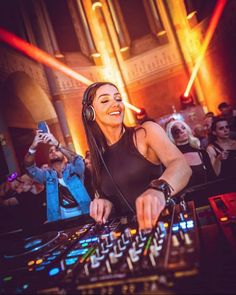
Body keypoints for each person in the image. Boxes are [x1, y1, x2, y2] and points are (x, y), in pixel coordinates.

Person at [81, 82, 191, 230]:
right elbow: (117, 198)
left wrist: (159, 189)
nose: (116, 104)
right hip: (131, 237)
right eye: (105, 100)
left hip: (166, 227)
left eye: (118, 99)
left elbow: (181, 165)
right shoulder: (98, 158)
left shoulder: (146, 132)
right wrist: (105, 203)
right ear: (90, 113)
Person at [24, 130, 91, 222]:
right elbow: (29, 167)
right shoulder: (47, 175)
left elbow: (77, 160)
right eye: (50, 151)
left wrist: (57, 144)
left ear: (63, 154)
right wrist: (33, 146)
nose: (53, 152)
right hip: (60, 218)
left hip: (85, 213)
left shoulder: (74, 169)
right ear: (48, 157)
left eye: (57, 150)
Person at [166, 120, 216, 188]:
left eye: (183, 128)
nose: (182, 131)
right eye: (177, 131)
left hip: (209, 192)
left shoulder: (202, 153)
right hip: (188, 196)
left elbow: (212, 177)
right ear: (171, 136)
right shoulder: (173, 158)